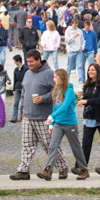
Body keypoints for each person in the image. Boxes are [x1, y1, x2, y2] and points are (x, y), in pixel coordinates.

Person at [11, 50, 64, 180]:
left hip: (43, 117)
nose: (29, 64)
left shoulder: (49, 74)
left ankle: (62, 167)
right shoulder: (27, 73)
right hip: (28, 116)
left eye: (31, 62)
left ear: (38, 60)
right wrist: (21, 110)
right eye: (27, 61)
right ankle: (23, 170)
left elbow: (57, 91)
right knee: (26, 144)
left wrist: (44, 98)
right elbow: (24, 93)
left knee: (49, 144)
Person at [40, 68, 91, 180]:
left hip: (70, 124)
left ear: (60, 78)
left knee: (75, 147)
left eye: (55, 77)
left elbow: (64, 107)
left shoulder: (69, 92)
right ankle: (48, 170)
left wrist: (51, 117)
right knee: (53, 146)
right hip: (58, 123)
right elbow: (55, 108)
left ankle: (84, 169)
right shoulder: (56, 91)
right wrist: (52, 124)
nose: (53, 79)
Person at [79, 64, 100, 165]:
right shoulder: (87, 85)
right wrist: (81, 97)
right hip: (89, 118)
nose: (90, 72)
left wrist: (86, 101)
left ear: (98, 72)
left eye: (93, 70)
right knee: (86, 143)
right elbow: (86, 97)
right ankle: (82, 167)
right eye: (89, 70)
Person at [9, 54, 26, 123]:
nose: (14, 63)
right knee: (15, 103)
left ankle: (23, 116)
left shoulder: (25, 69)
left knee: (24, 103)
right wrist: (13, 89)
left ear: (18, 61)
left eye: (15, 61)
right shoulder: (16, 70)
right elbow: (14, 79)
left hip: (24, 88)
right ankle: (14, 116)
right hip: (17, 88)